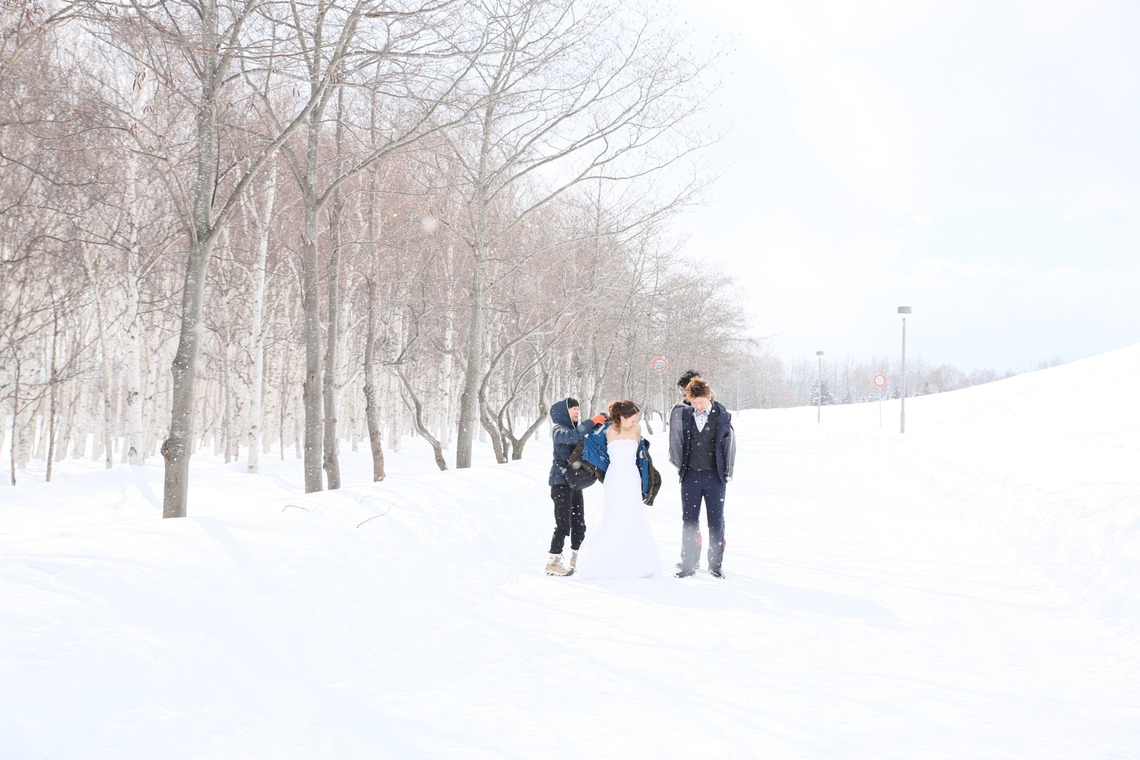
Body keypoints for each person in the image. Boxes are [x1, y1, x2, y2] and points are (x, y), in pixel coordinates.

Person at [574, 400, 663, 580]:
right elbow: (589, 441)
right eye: (632, 419)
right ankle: (605, 559)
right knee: (612, 514)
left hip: (631, 476)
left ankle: (634, 559)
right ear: (622, 418)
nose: (635, 422)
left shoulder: (637, 430)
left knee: (632, 515)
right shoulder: (606, 430)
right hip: (614, 477)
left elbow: (642, 455)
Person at [669, 377, 736, 579]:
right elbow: (677, 440)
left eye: (701, 402)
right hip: (690, 475)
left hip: (714, 476)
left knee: (715, 521)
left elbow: (729, 446)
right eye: (694, 402)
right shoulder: (685, 415)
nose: (698, 406)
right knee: (689, 520)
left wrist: (726, 473)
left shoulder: (722, 415)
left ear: (709, 396)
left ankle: (715, 565)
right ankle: (688, 563)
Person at [546, 397, 606, 576]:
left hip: (574, 483)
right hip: (560, 483)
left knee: (579, 524)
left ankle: (575, 559)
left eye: (578, 408)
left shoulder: (577, 430)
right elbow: (571, 437)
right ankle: (553, 561)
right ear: (563, 412)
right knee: (563, 524)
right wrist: (591, 422)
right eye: (572, 408)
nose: (577, 411)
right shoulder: (558, 429)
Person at [668, 370, 703, 569]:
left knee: (706, 518)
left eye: (684, 389)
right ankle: (691, 556)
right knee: (690, 517)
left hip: (705, 470)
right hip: (688, 469)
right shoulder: (681, 409)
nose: (682, 393)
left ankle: (703, 557)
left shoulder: (708, 409)